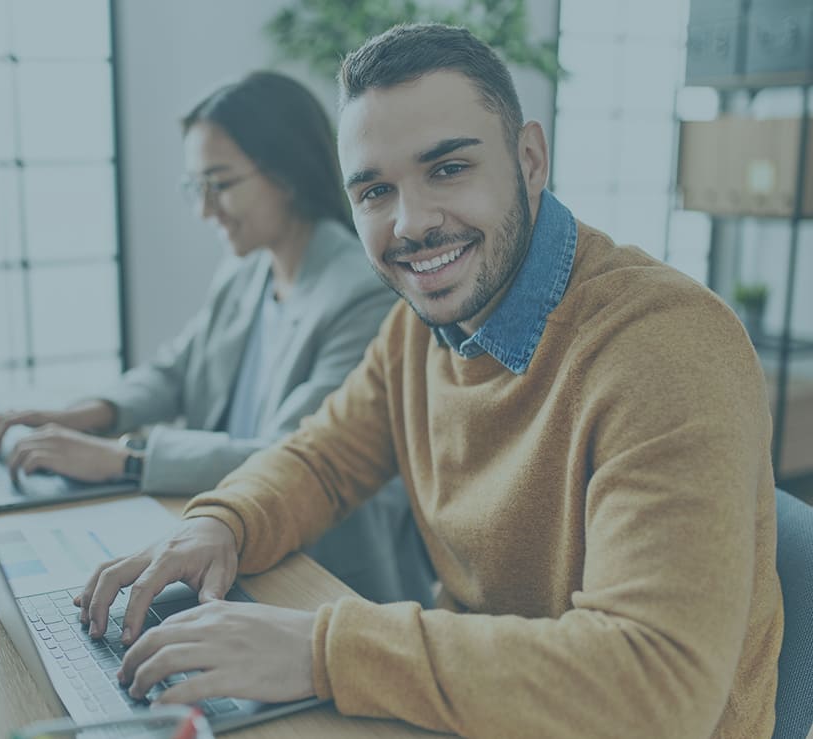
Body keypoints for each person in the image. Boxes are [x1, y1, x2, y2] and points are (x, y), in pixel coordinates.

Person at [74, 24, 783, 739]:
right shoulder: (421, 328)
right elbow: (319, 459)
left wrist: (322, 649)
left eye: (448, 168)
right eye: (376, 190)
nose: (410, 224)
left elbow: (657, 685)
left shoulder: (664, 346)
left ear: (529, 158)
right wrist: (221, 522)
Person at [0, 70, 433, 606]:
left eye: (219, 185)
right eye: (195, 187)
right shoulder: (248, 270)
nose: (205, 209)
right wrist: (88, 414)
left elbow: (289, 460)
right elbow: (177, 370)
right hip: (220, 536)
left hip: (318, 575)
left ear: (286, 174)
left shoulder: (361, 292)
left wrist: (124, 459)